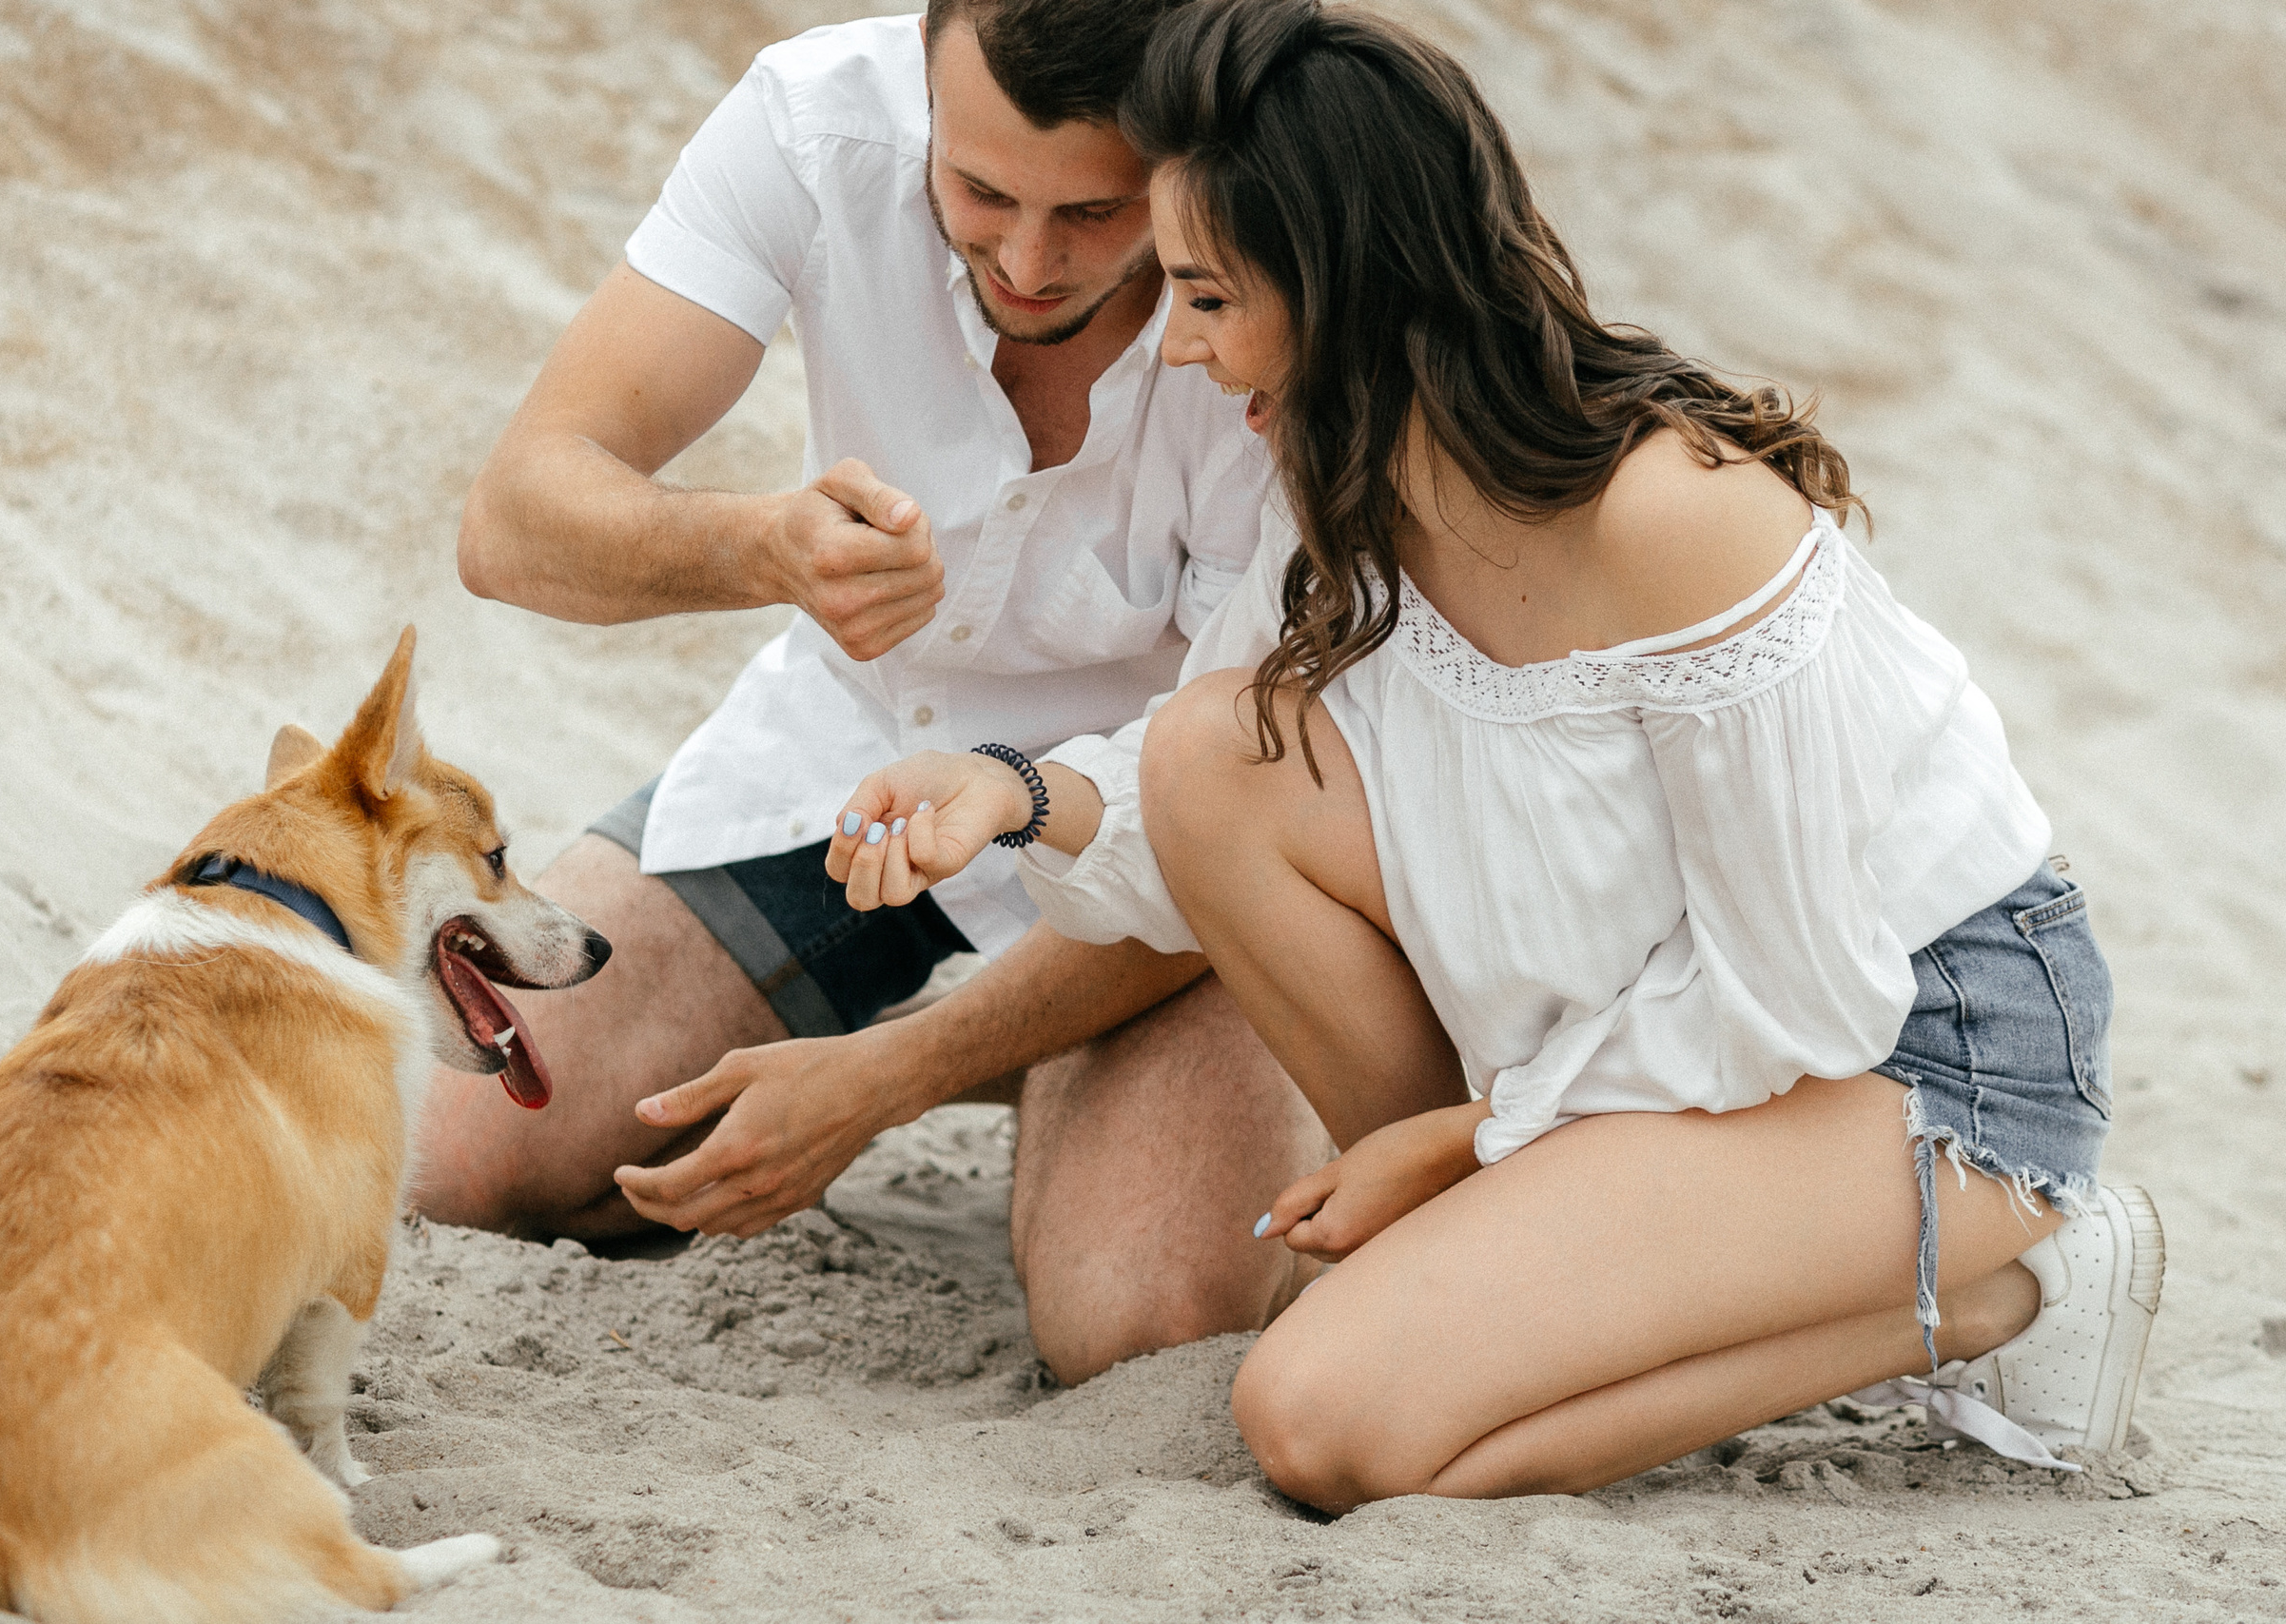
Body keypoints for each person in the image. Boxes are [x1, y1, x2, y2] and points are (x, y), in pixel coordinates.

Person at [826, 0, 2161, 1504]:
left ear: (1345, 286)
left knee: (1326, 1429)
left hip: (1911, 1048)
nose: (1180, 350)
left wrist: (1472, 1142)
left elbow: (1799, 994)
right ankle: (1534, 1291)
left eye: (1207, 298)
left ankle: (2008, 1290)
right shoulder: (1337, 487)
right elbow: (1192, 799)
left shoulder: (1674, 518)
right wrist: (1006, 795)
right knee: (1217, 749)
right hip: (1658, 1044)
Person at [414, 0, 1435, 1385]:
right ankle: (985, 1057)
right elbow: (514, 522)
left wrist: (889, 1083)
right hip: (859, 762)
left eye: (1095, 210)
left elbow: (1263, 789)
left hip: (1187, 848)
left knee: (1138, 1320)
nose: (1026, 259)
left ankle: (1051, 1069)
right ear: (926, 82)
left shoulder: (1312, 246)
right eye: (979, 188)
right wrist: (761, 545)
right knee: (458, 1149)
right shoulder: (816, 115)